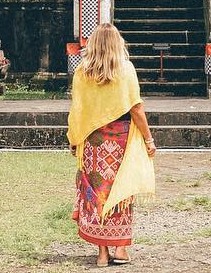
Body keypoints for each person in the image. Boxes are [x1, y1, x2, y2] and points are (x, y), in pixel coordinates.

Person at [68, 23, 156, 266]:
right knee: (121, 192)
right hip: (120, 141)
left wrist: (74, 138)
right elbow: (136, 108)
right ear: (118, 43)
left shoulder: (82, 73)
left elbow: (78, 110)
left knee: (97, 193)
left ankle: (102, 253)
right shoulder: (126, 70)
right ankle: (120, 249)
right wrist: (149, 139)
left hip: (92, 142)